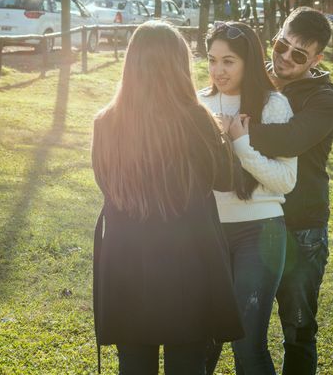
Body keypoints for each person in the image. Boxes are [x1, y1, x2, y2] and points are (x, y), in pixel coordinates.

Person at [91, 21, 245, 374]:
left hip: (127, 262)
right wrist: (226, 138)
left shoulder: (105, 122)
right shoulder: (196, 119)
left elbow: (106, 183)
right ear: (178, 67)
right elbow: (223, 180)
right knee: (187, 363)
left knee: (134, 365)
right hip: (187, 263)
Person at [199, 21, 298, 374]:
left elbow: (286, 180)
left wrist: (241, 144)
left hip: (260, 231)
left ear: (248, 62)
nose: (218, 70)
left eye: (229, 61)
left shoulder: (274, 105)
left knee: (247, 344)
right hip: (207, 232)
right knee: (201, 342)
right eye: (212, 60)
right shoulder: (199, 102)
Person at [248, 7, 333, 374]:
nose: (285, 57)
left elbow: (290, 140)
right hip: (252, 221)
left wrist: (235, 131)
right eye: (280, 45)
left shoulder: (324, 100)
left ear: (316, 59)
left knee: (298, 330)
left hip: (302, 228)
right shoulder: (253, 81)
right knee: (234, 322)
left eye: (299, 54)